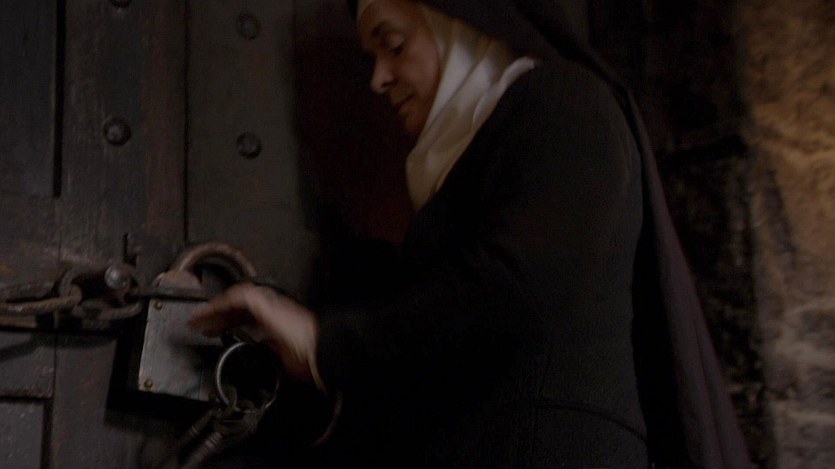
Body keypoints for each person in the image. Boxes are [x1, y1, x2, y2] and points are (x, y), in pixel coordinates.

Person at [190, 0, 749, 467]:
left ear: (462, 21)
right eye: (372, 56)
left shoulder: (563, 102)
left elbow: (518, 285)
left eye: (394, 44)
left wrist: (325, 344)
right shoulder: (457, 172)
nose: (379, 78)